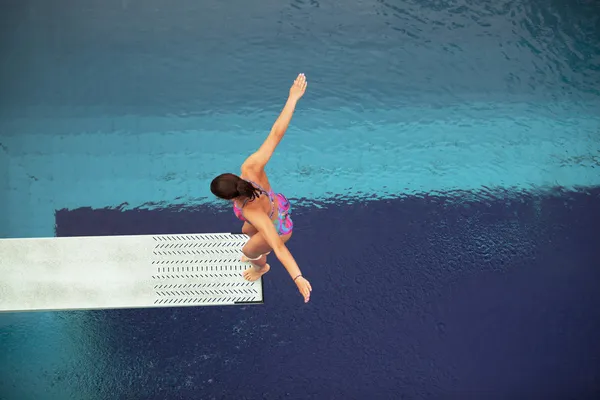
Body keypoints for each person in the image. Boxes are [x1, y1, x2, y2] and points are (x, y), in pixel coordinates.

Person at [210, 73, 312, 303]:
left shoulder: (251, 211)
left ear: (229, 199)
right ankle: (258, 251)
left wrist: (298, 278)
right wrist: (293, 98)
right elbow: (276, 134)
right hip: (275, 205)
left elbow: (278, 247)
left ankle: (261, 268)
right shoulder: (251, 167)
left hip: (278, 227)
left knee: (249, 251)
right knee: (247, 232)